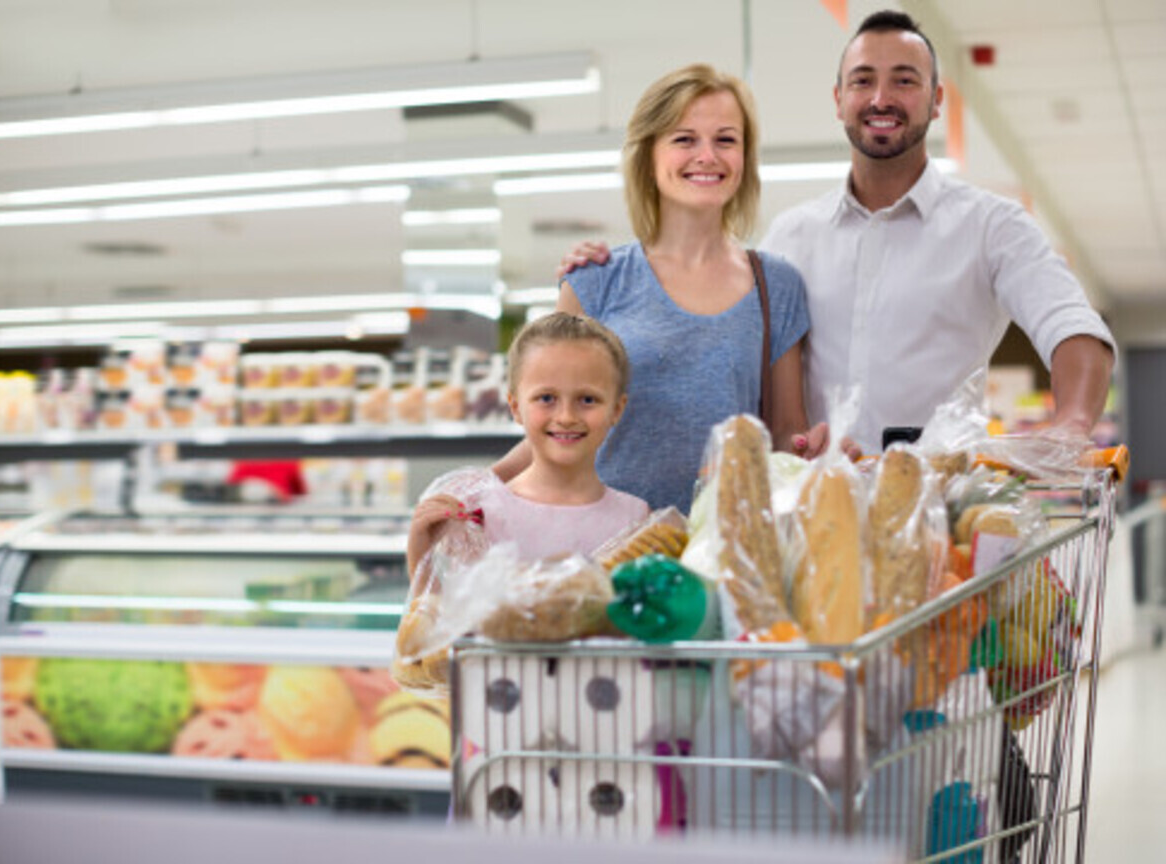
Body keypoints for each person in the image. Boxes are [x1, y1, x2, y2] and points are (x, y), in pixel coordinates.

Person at [561, 11, 1115, 454]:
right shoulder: (789, 238)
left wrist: (1070, 423)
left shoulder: (992, 227)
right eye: (863, 81)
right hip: (811, 518)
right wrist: (613, 270)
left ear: (936, 99)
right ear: (838, 100)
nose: (881, 99)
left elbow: (1070, 327)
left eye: (905, 81)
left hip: (938, 513)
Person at [497, 63, 827, 516]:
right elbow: (554, 429)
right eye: (684, 139)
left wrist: (818, 458)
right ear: (649, 156)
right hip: (603, 553)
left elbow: (787, 431)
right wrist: (473, 490)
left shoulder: (777, 286)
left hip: (724, 555)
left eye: (726, 140)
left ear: (745, 158)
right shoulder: (597, 280)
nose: (707, 156)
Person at [406, 311, 649, 575]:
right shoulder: (479, 517)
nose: (566, 417)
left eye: (588, 399)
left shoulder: (636, 521)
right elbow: (437, 612)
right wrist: (419, 552)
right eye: (546, 398)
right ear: (515, 407)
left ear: (617, 409)